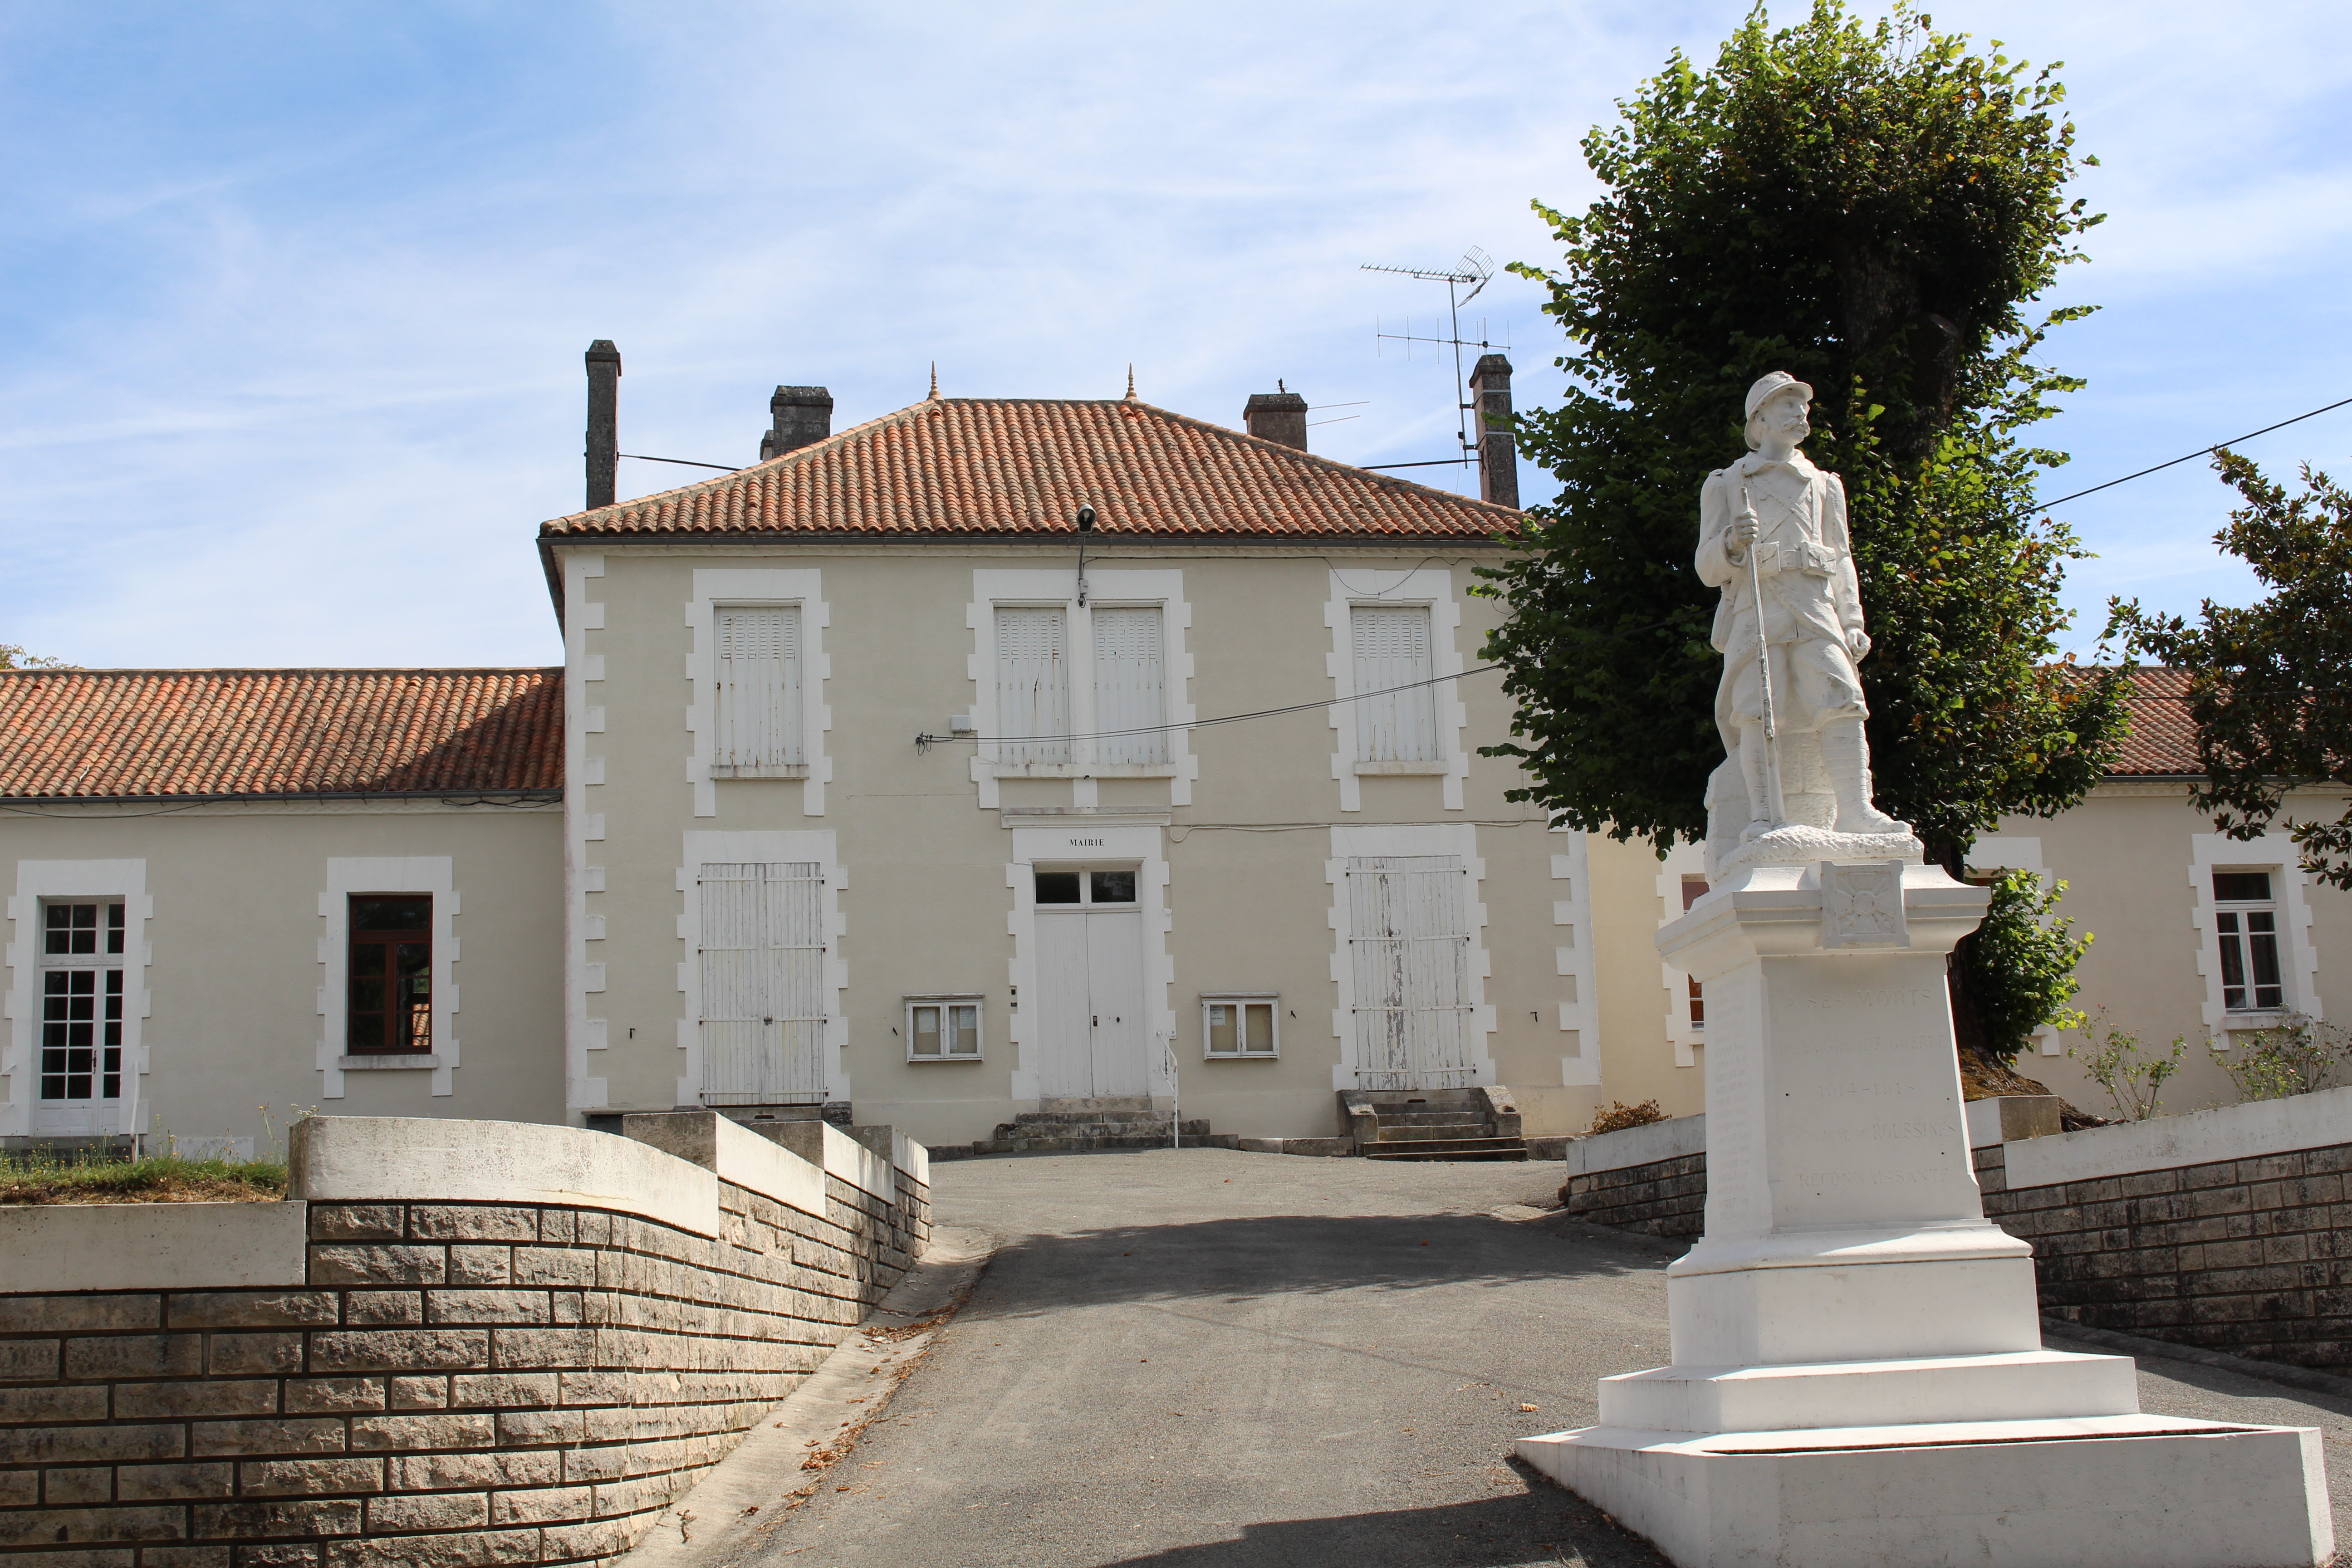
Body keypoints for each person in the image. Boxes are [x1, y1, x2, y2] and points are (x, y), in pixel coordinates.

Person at [1696, 372, 1903, 843]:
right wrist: (1731, 541)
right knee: (1756, 710)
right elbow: (1707, 568)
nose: (1800, 414)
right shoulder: (1727, 484)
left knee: (1844, 702)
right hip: (1758, 606)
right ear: (1760, 418)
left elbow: (1842, 556)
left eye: (1803, 407)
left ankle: (1856, 811)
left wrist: (1852, 619)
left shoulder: (1826, 485)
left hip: (1814, 605)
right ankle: (1765, 817)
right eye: (1787, 406)